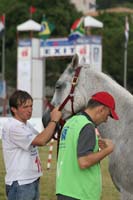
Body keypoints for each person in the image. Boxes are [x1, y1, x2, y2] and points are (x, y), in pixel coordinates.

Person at [56, 91, 119, 200]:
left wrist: (98, 149)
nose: (106, 120)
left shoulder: (71, 122)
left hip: (65, 189)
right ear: (101, 109)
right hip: (80, 193)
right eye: (108, 114)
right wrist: (108, 150)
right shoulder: (87, 126)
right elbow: (84, 162)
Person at [1, 90, 62, 200]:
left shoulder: (25, 124)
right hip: (21, 184)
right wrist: (54, 120)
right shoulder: (14, 127)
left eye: (31, 106)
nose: (30, 110)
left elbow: (44, 138)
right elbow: (41, 140)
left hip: (30, 180)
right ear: (13, 109)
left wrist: (57, 123)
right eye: (25, 107)